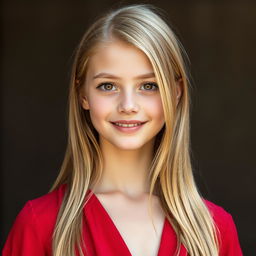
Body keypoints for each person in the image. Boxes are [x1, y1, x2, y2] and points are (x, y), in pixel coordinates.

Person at [2, 3, 243, 256]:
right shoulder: (41, 224)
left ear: (176, 92)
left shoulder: (213, 230)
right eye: (108, 86)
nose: (128, 105)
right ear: (83, 94)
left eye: (148, 85)